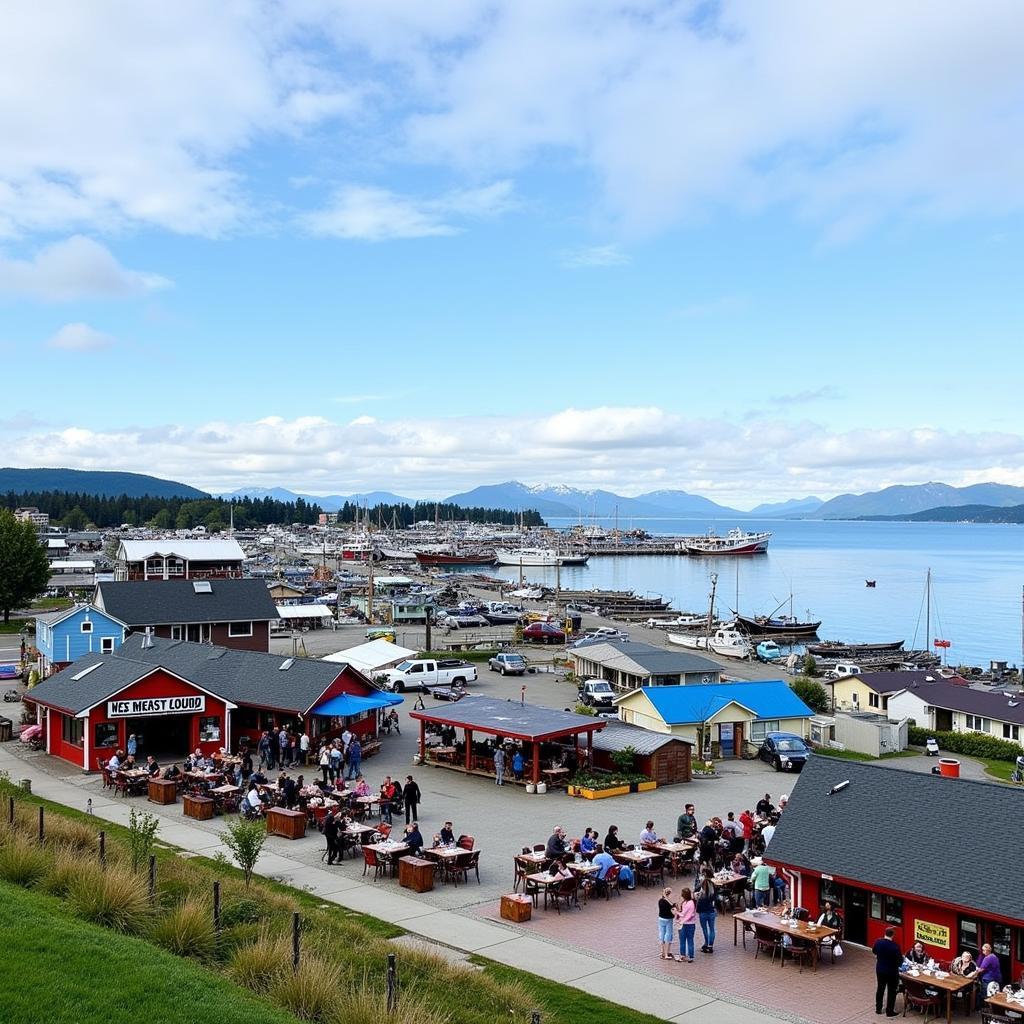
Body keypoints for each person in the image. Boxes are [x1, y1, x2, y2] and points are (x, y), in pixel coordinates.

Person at [873, 926, 903, 1017]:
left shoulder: (878, 942)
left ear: (885, 933)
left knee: (880, 989)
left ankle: (878, 1009)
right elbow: (900, 961)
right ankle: (889, 1011)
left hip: (880, 969)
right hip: (892, 972)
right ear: (893, 935)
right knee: (892, 991)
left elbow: (874, 951)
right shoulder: (895, 946)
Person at [695, 875, 717, 953]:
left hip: (703, 913)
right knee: (712, 929)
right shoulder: (713, 892)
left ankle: (706, 943)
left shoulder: (701, 895)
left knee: (704, 929)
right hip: (711, 912)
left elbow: (695, 893)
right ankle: (710, 946)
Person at [675, 886, 697, 963]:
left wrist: (676, 912)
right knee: (690, 940)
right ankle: (691, 956)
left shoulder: (686, 903)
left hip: (683, 924)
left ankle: (682, 955)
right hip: (691, 924)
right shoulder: (692, 903)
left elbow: (683, 914)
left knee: (682, 941)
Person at [977, 943, 1002, 1007]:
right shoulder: (994, 956)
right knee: (995, 993)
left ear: (987, 951)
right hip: (997, 978)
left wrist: (976, 969)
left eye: (983, 950)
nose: (982, 952)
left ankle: (985, 1008)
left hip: (988, 979)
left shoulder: (987, 958)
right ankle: (994, 1007)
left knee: (985, 994)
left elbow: (981, 969)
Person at [658, 888, 676, 960]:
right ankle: (666, 953)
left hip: (661, 918)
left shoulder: (660, 901)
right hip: (668, 919)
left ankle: (662, 951)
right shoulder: (668, 903)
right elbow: (673, 908)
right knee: (668, 934)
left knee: (662, 934)